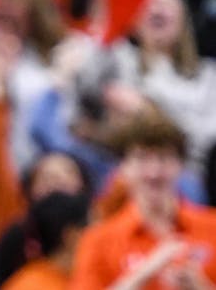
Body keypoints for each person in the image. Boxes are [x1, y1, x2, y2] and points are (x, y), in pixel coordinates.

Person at [70, 112, 216, 290]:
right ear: (123, 168)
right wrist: (144, 273)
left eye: (163, 158)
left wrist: (200, 286)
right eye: (142, 158)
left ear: (180, 165)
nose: (154, 172)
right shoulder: (98, 241)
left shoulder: (212, 226)